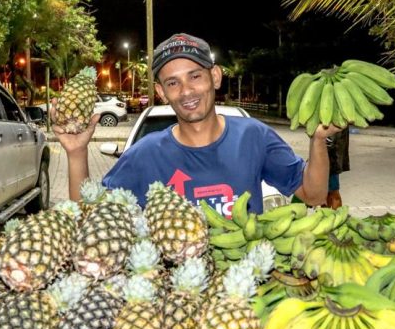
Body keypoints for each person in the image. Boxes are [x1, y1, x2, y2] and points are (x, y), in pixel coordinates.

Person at [53, 33, 344, 212]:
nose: (187, 91)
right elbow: (89, 215)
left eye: (195, 76)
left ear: (215, 77)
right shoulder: (146, 153)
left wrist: (318, 141)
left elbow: (314, 195)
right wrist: (77, 153)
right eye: (173, 83)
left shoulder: (254, 136)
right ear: (161, 93)